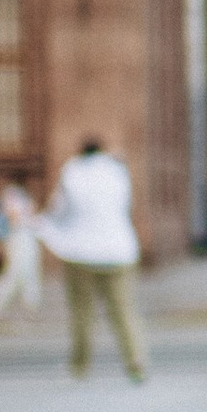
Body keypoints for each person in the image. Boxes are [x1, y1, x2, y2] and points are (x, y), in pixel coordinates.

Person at [37, 141, 146, 379]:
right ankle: (135, 360)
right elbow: (127, 206)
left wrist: (45, 225)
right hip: (119, 252)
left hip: (81, 253)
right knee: (123, 310)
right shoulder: (117, 171)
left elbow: (59, 209)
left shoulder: (73, 170)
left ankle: (80, 365)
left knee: (82, 313)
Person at [0, 178, 43, 322]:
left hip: (25, 236)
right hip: (18, 236)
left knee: (29, 271)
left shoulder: (18, 195)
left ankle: (31, 304)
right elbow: (14, 217)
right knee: (16, 271)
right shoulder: (13, 195)